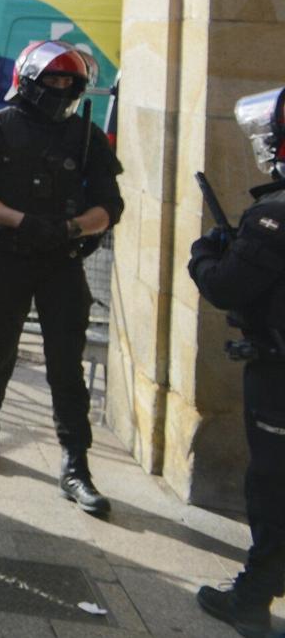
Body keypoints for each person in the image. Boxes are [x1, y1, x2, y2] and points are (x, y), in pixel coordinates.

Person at [0, 40, 123, 515]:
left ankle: (75, 463)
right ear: (30, 81)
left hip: (61, 259)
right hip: (9, 256)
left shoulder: (87, 136)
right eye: (52, 79)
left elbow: (110, 205)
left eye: (68, 80)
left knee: (67, 365)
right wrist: (22, 221)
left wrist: (72, 228)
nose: (60, 87)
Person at [189, 86, 285, 637]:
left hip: (279, 379)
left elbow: (225, 286)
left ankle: (250, 600)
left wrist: (205, 253)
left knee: (274, 489)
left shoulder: (274, 216)